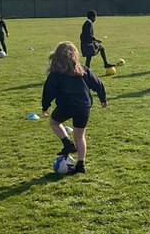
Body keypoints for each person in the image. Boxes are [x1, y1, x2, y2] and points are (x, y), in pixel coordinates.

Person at [41, 41, 107, 175]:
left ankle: (67, 143)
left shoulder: (56, 73)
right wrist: (103, 99)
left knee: (54, 122)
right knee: (80, 135)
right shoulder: (83, 69)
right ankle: (81, 165)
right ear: (75, 55)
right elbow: (98, 84)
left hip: (66, 105)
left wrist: (45, 105)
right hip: (83, 106)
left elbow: (48, 90)